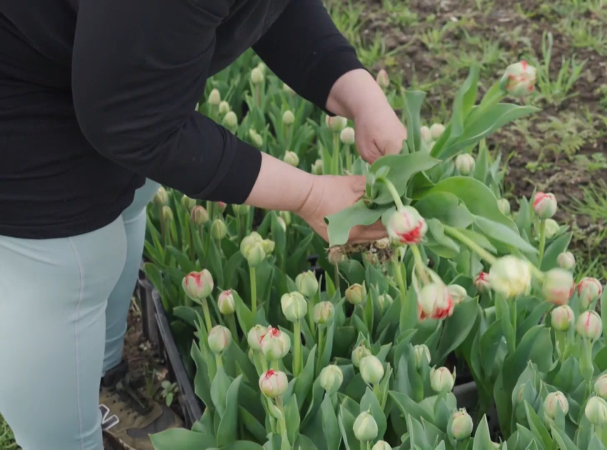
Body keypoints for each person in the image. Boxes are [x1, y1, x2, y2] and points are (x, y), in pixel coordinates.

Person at [0, 0, 407, 448]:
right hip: (14, 72)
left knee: (133, 189)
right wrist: (308, 195)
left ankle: (104, 373)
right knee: (69, 263)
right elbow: (130, 119)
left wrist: (353, 87)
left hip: (95, 46)